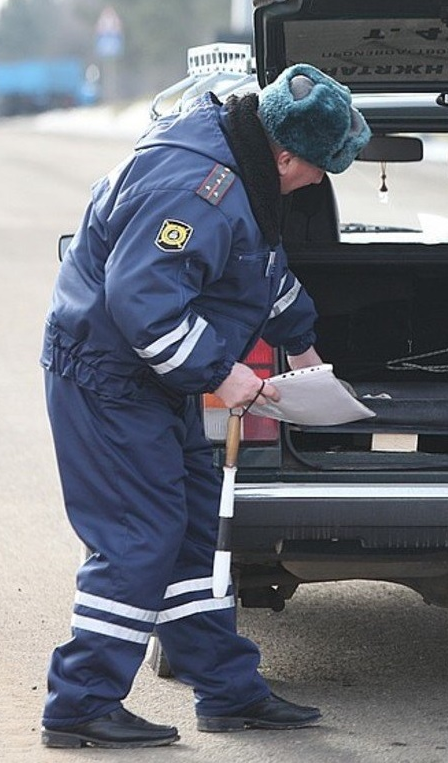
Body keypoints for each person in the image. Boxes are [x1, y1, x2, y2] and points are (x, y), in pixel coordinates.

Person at [39, 63, 370, 749]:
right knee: (140, 534)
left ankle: (227, 689)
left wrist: (302, 346)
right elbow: (142, 304)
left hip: (154, 382)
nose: (319, 183)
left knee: (196, 531)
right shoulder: (199, 189)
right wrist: (223, 374)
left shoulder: (245, 170)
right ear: (286, 156)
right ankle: (80, 702)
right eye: (319, 169)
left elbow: (260, 270)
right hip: (108, 378)